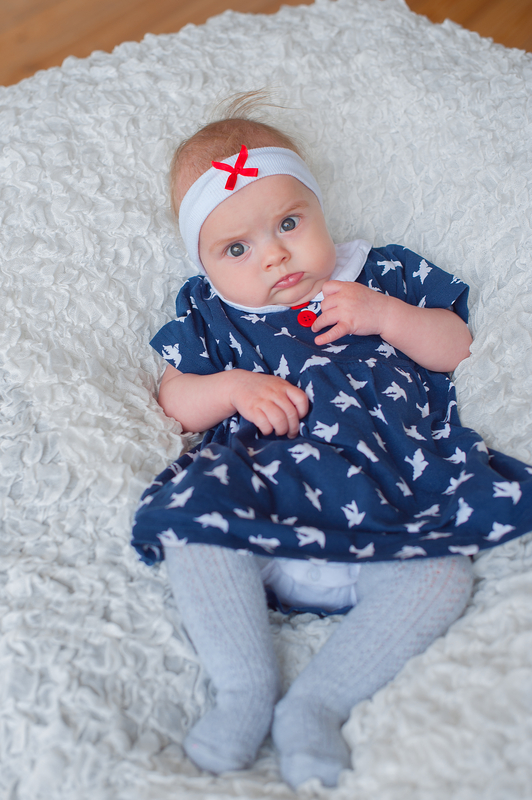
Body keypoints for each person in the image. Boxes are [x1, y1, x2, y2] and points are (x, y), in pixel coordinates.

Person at [132, 110, 532, 789]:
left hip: (390, 495)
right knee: (192, 525)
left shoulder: (381, 272)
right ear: (203, 262)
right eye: (237, 249)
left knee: (442, 576)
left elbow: (459, 347)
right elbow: (175, 401)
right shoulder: (211, 311)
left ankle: (317, 704)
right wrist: (231, 388)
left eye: (289, 223)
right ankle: (244, 690)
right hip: (261, 499)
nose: (274, 256)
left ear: (319, 207)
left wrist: (387, 316)